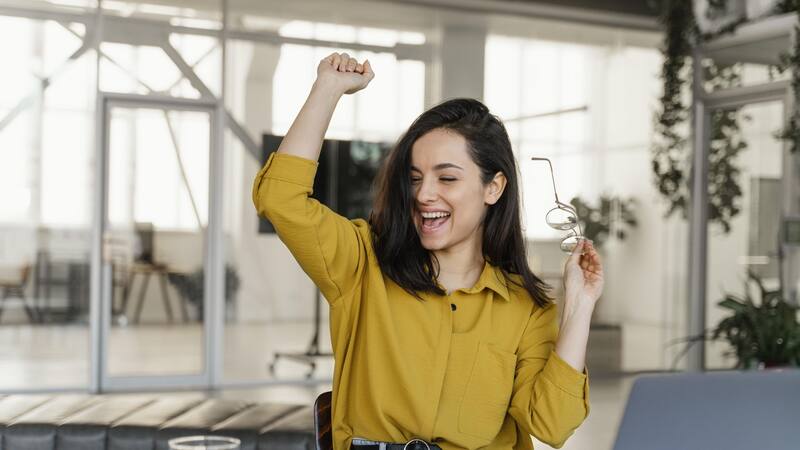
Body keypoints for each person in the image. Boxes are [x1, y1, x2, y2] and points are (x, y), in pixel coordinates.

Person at [253, 52, 604, 450]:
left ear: (494, 187)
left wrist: (579, 306)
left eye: (447, 177)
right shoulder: (362, 264)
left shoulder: (526, 308)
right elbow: (280, 199)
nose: (423, 194)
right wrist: (327, 89)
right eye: (415, 177)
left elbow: (552, 424)